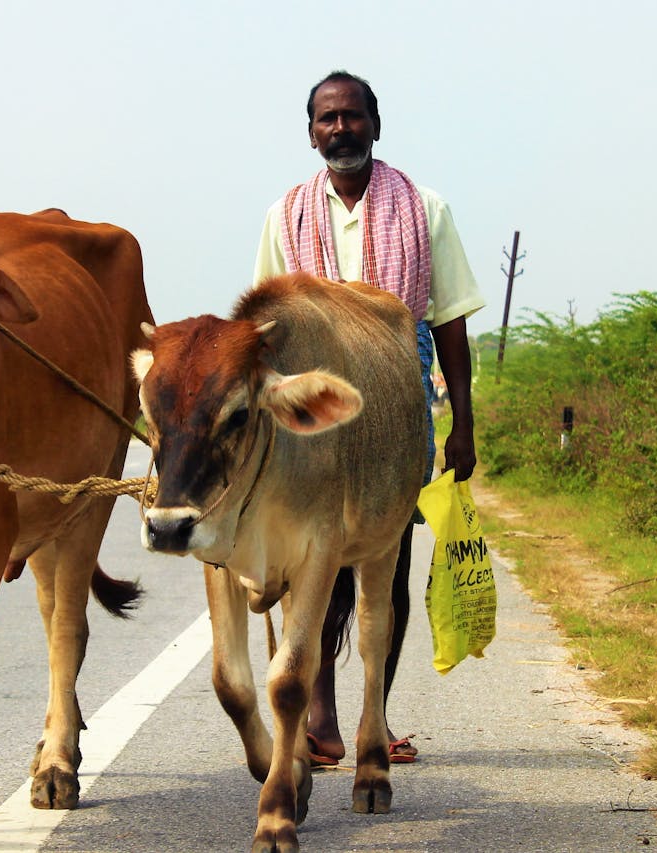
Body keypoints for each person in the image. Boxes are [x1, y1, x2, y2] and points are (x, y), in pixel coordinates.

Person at [252, 70, 484, 766]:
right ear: (311, 131)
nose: (340, 130)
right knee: (308, 571)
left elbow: (447, 325)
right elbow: (264, 324)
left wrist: (461, 423)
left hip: (394, 407)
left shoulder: (425, 209)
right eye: (327, 119)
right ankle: (319, 714)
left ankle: (373, 713)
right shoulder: (284, 214)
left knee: (387, 561)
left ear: (375, 125)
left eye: (352, 117)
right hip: (314, 411)